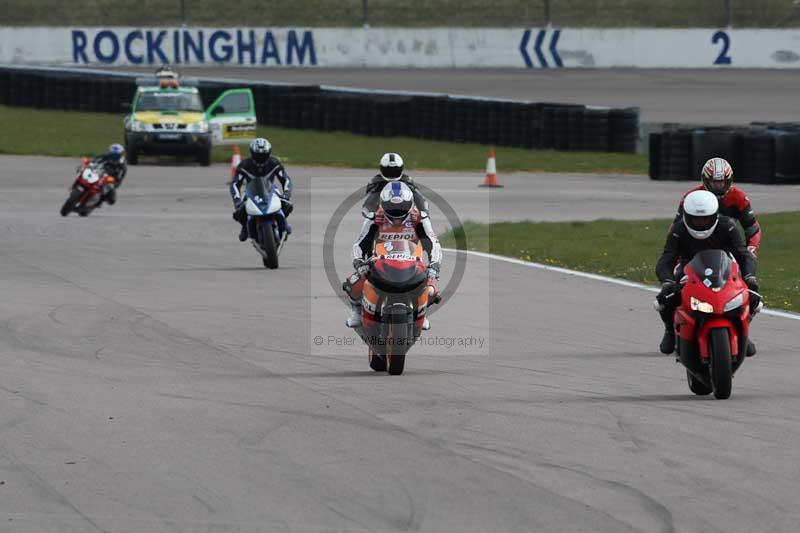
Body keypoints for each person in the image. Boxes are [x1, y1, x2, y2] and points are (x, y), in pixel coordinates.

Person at [654, 190, 761, 355]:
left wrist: (749, 277)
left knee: (753, 297)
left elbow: (743, 254)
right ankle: (670, 331)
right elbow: (665, 260)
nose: (701, 223)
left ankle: (742, 332)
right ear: (687, 216)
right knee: (664, 299)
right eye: (695, 219)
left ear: (714, 215)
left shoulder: (727, 226)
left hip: (724, 266)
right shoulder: (678, 229)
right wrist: (668, 282)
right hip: (688, 268)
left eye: (705, 218)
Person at [344, 181, 441, 329]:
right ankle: (357, 312)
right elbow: (359, 243)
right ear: (383, 204)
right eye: (392, 208)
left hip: (413, 262)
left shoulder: (419, 217)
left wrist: (435, 264)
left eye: (401, 208)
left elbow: (433, 243)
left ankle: (422, 313)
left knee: (432, 290)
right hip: (379, 261)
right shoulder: (374, 217)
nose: (396, 214)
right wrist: (358, 262)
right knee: (353, 283)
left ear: (410, 204)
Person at [674, 157, 762, 256]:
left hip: (729, 247)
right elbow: (676, 228)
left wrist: (751, 249)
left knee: (747, 268)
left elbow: (752, 227)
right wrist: (676, 252)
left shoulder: (739, 197)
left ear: (728, 181)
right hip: (694, 246)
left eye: (721, 183)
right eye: (714, 182)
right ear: (705, 180)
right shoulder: (691, 197)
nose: (718, 187)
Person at [230, 138, 293, 242]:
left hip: (271, 191)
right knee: (239, 212)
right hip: (250, 192)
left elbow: (286, 179)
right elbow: (235, 184)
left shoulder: (274, 163)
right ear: (252, 154)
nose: (261, 158)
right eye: (258, 155)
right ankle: (245, 227)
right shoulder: (244, 165)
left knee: (287, 205)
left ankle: (284, 223)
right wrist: (237, 201)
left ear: (269, 153)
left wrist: (286, 195)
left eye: (263, 155)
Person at [361, 152, 428, 219]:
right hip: (380, 217)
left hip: (406, 215)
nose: (392, 173)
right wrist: (370, 215)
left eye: (395, 170)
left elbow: (419, 198)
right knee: (368, 227)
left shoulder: (407, 180)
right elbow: (368, 201)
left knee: (424, 223)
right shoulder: (376, 181)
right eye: (388, 170)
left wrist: (424, 212)